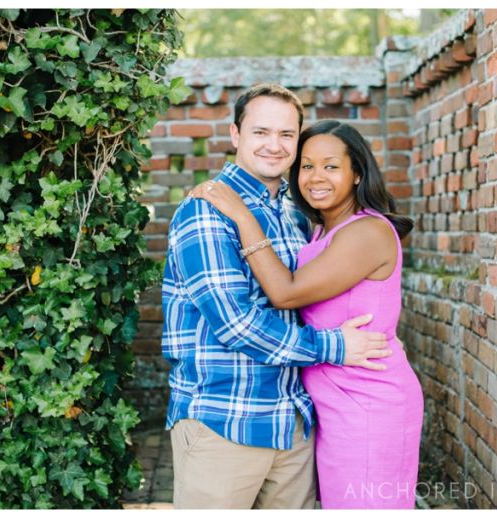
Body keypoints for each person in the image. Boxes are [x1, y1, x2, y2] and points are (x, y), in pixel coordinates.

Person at [161, 84, 395, 509]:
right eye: (260, 132)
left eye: (287, 135)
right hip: (225, 421)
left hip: (293, 425)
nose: (275, 145)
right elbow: (236, 323)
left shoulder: (293, 213)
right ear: (235, 135)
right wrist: (335, 346)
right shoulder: (206, 210)